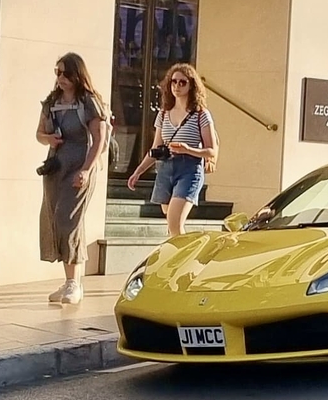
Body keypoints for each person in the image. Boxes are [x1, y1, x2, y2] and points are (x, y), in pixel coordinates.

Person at [36, 52, 107, 305]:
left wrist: (87, 169)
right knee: (54, 219)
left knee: (69, 219)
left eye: (66, 73)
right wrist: (49, 139)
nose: (61, 78)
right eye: (58, 72)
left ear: (77, 75)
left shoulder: (88, 102)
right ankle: (69, 281)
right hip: (56, 166)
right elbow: (39, 133)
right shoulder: (52, 101)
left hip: (79, 166)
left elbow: (98, 138)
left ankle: (73, 283)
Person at [124, 63, 218, 240]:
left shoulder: (201, 114)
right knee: (171, 224)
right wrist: (138, 172)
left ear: (192, 85)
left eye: (182, 82)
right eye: (173, 82)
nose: (177, 86)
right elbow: (155, 148)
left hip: (189, 169)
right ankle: (180, 258)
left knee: (175, 223)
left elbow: (211, 151)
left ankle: (183, 261)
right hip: (166, 169)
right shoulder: (163, 114)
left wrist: (188, 149)